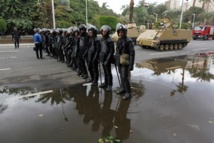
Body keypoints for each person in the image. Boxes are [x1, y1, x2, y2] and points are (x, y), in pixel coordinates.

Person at [115, 24, 135, 100]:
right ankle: (123, 88)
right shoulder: (119, 40)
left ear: (125, 32)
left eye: (122, 32)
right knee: (121, 76)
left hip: (125, 62)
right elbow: (117, 51)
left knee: (124, 77)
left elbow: (132, 54)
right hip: (119, 61)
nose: (120, 34)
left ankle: (128, 93)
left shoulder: (129, 41)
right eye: (119, 32)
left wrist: (131, 65)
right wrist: (115, 60)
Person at [99, 25, 115, 91]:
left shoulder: (110, 40)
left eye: (105, 31)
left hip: (107, 58)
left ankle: (110, 85)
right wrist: (99, 57)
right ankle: (105, 83)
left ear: (108, 32)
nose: (103, 32)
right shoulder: (102, 39)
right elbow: (101, 49)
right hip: (103, 57)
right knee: (105, 72)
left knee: (108, 72)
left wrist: (107, 60)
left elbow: (112, 51)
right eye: (103, 31)